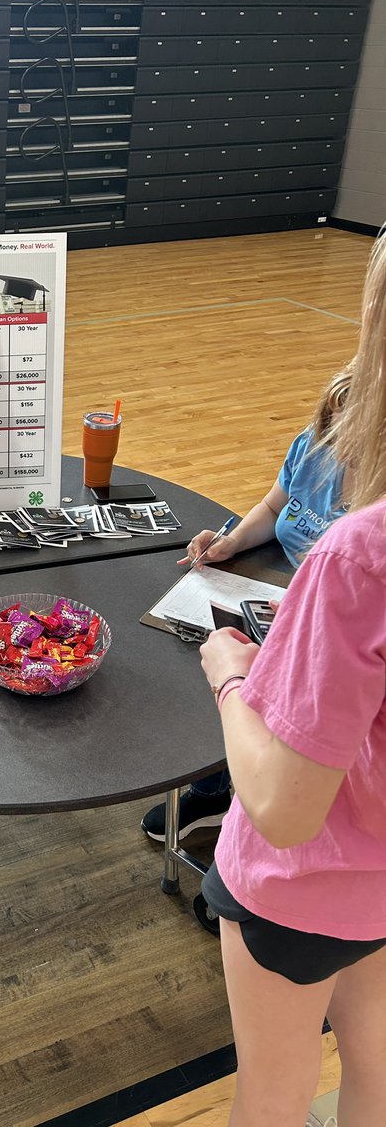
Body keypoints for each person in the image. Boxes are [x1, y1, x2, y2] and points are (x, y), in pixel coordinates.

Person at [198, 228, 386, 1127]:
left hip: (302, 884)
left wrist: (232, 679)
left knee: (271, 1093)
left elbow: (285, 807)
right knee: (376, 1069)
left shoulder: (362, 557)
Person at [140, 360, 353, 842]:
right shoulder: (314, 441)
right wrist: (231, 542)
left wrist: (305, 613)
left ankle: (246, 805)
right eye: (329, 430)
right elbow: (276, 506)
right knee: (198, 647)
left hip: (327, 613)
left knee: (257, 681)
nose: (333, 445)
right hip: (278, 583)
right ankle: (216, 786)